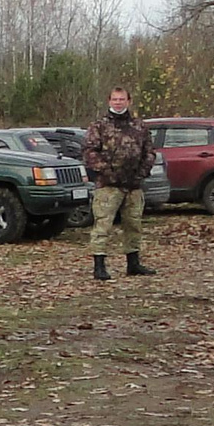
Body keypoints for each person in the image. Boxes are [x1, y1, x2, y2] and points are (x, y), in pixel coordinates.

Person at [81, 85, 157, 282]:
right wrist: (109, 173)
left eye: (121, 99)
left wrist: (141, 174)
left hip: (133, 185)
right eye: (115, 99)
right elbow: (89, 153)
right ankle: (99, 266)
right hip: (108, 185)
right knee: (103, 225)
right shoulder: (99, 126)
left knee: (133, 224)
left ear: (128, 101)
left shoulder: (139, 126)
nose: (118, 103)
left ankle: (133, 263)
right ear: (109, 101)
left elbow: (149, 152)